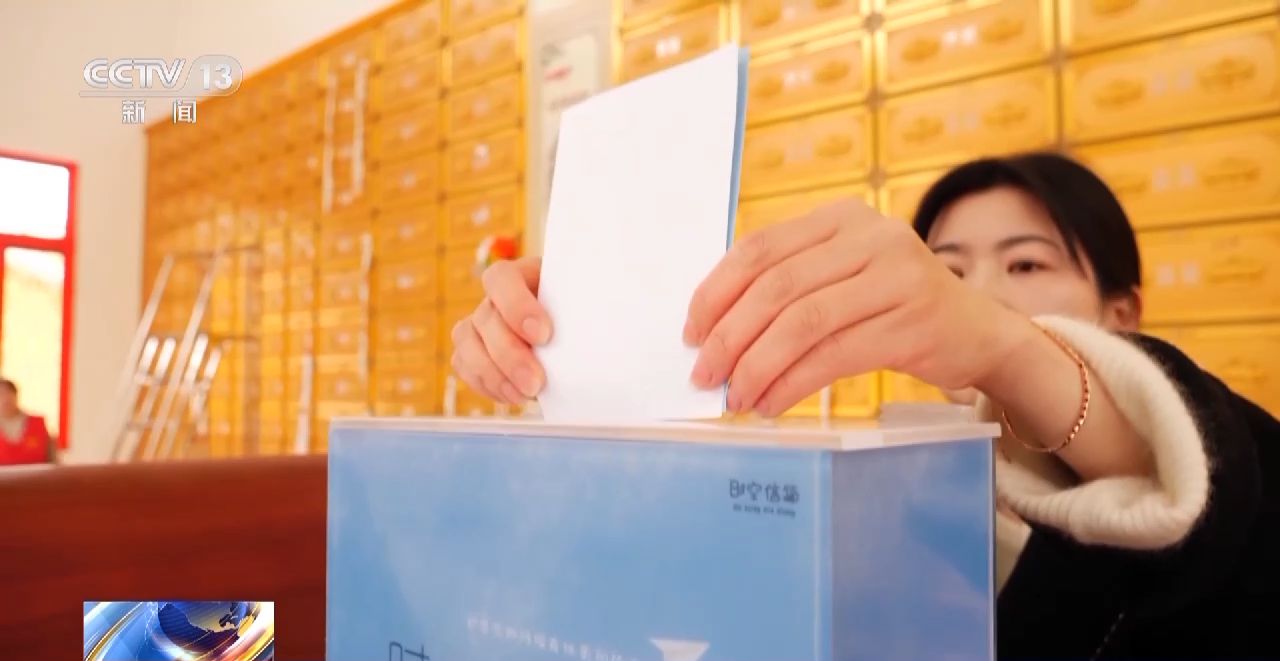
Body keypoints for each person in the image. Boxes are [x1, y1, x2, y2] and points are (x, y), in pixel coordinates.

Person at [450, 152, 1279, 658]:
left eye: (1026, 265)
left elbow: (1219, 492)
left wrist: (1006, 348)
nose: (981, 292)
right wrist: (566, 344)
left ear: (1122, 313)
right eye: (949, 269)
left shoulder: (1220, 473)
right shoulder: (880, 503)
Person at [0, 378, 55, 466]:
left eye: (7, 393)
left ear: (15, 395)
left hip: (37, 474)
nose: (5, 399)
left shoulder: (38, 423)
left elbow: (54, 461)